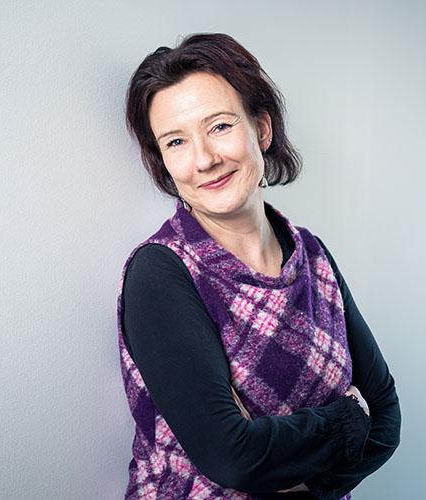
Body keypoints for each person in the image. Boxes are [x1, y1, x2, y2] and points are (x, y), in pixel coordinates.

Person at [116, 33, 401, 500]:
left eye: (219, 127)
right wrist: (350, 418)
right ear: (164, 162)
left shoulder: (313, 256)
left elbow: (386, 419)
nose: (204, 159)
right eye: (176, 141)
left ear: (262, 129)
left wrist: (284, 462)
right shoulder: (161, 274)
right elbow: (234, 458)